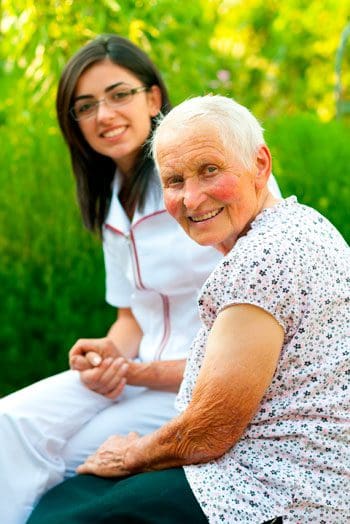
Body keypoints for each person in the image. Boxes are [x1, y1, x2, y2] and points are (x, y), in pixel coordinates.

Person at [28, 95, 349, 524]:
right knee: (75, 490)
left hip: (271, 492)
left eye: (209, 170)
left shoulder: (261, 261)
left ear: (260, 164)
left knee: (58, 512)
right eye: (175, 180)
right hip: (290, 473)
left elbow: (208, 433)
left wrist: (133, 454)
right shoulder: (302, 222)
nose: (192, 198)